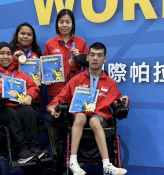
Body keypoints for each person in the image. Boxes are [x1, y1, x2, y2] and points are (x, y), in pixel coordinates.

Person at [47, 42, 129, 175]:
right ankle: (73, 162)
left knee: (94, 121)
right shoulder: (77, 79)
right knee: (80, 116)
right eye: (92, 55)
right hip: (81, 114)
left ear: (105, 59)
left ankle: (107, 165)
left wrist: (125, 100)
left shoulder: (109, 82)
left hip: (99, 116)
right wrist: (51, 107)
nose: (95, 58)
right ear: (87, 58)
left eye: (99, 55)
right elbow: (61, 97)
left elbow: (117, 101)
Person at [0, 42, 48, 163]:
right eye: (2, 53)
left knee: (29, 112)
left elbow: (33, 87)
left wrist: (29, 96)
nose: (6, 56)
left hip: (17, 106)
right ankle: (22, 150)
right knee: (10, 113)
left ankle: (34, 148)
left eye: (9, 54)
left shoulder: (19, 74)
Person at [43, 8, 88, 152]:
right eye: (61, 22)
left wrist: (80, 56)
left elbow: (88, 66)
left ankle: (75, 156)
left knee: (77, 123)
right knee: (54, 123)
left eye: (68, 22)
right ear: (57, 24)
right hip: (55, 90)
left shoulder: (81, 42)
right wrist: (46, 78)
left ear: (72, 24)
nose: (64, 25)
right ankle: (54, 153)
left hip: (77, 92)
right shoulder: (50, 43)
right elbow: (45, 67)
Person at [10, 22, 44, 109]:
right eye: (22, 33)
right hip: (14, 94)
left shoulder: (38, 53)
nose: (25, 36)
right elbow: (4, 72)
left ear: (33, 38)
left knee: (32, 120)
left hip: (34, 96)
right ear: (17, 35)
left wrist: (44, 78)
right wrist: (13, 59)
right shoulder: (10, 51)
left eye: (29, 34)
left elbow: (45, 71)